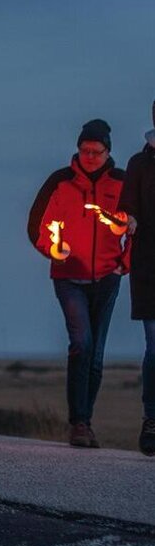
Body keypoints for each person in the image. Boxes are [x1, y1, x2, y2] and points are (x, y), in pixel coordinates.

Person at [28, 118, 129, 448]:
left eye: (96, 152)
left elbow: (140, 229)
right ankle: (79, 423)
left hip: (107, 278)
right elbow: (36, 226)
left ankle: (85, 421)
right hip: (68, 277)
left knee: (96, 354)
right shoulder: (60, 181)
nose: (89, 157)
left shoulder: (122, 183)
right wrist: (53, 250)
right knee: (81, 343)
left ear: (107, 151)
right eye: (84, 150)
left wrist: (122, 266)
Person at [118, 101, 155, 455]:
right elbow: (129, 209)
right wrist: (127, 221)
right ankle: (152, 421)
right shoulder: (140, 164)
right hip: (150, 270)